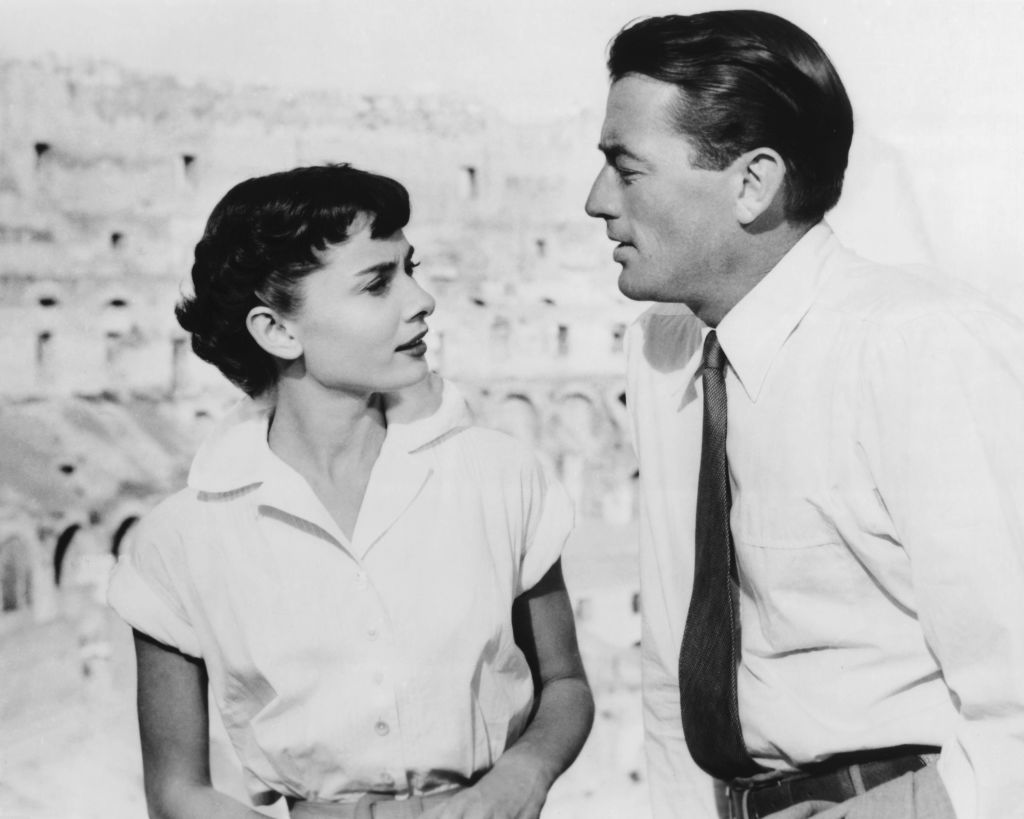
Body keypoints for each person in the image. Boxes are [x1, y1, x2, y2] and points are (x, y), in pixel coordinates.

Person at [585, 11, 1024, 819]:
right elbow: (671, 669)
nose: (596, 201)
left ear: (753, 183)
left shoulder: (919, 348)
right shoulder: (663, 352)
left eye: (627, 169)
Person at [108, 164, 594, 819]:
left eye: (410, 268)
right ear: (278, 331)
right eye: (377, 283)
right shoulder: (180, 540)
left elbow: (564, 682)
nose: (422, 300)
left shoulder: (498, 475)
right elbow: (175, 790)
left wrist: (523, 774)